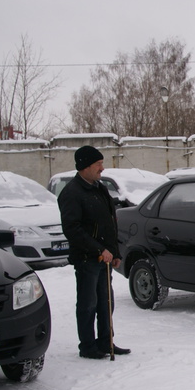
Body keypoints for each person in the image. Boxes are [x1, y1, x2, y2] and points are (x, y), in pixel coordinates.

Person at [58, 146, 131, 359]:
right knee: (88, 303)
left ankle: (106, 342)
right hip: (87, 259)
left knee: (106, 302)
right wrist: (99, 249)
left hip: (105, 258)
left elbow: (109, 223)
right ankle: (88, 346)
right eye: (98, 164)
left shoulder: (100, 188)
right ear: (85, 166)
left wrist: (114, 251)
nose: (102, 168)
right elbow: (73, 230)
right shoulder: (71, 193)